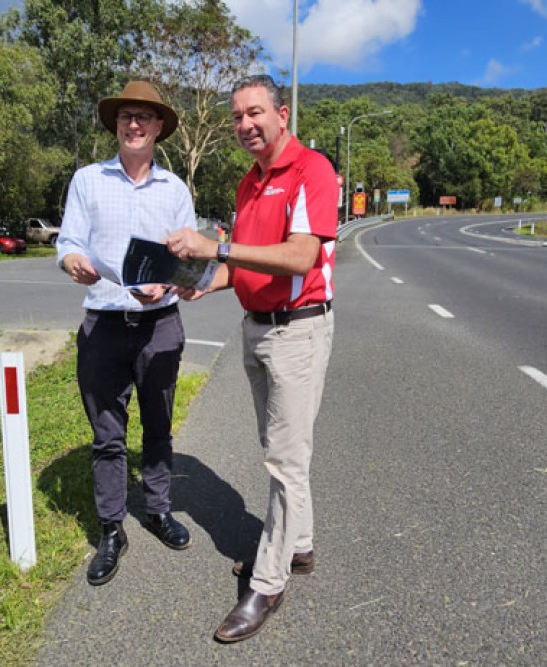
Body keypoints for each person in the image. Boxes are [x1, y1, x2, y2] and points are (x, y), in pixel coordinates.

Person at [165, 74, 338, 642]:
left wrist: (214, 245)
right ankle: (302, 547)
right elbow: (244, 264)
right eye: (237, 117)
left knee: (285, 460)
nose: (245, 125)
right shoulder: (248, 185)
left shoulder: (313, 170)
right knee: (280, 450)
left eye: (255, 113)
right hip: (255, 329)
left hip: (297, 332)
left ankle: (268, 582)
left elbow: (298, 256)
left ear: (281, 114)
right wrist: (198, 282)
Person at [55, 81, 196, 586]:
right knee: (107, 435)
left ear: (159, 127)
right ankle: (112, 528)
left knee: (157, 425)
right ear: (115, 126)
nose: (133, 124)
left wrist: (169, 286)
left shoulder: (176, 189)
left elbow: (190, 261)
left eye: (143, 117)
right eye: (125, 117)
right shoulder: (88, 181)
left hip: (160, 325)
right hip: (104, 325)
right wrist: (72, 260)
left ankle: (157, 509)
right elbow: (70, 241)